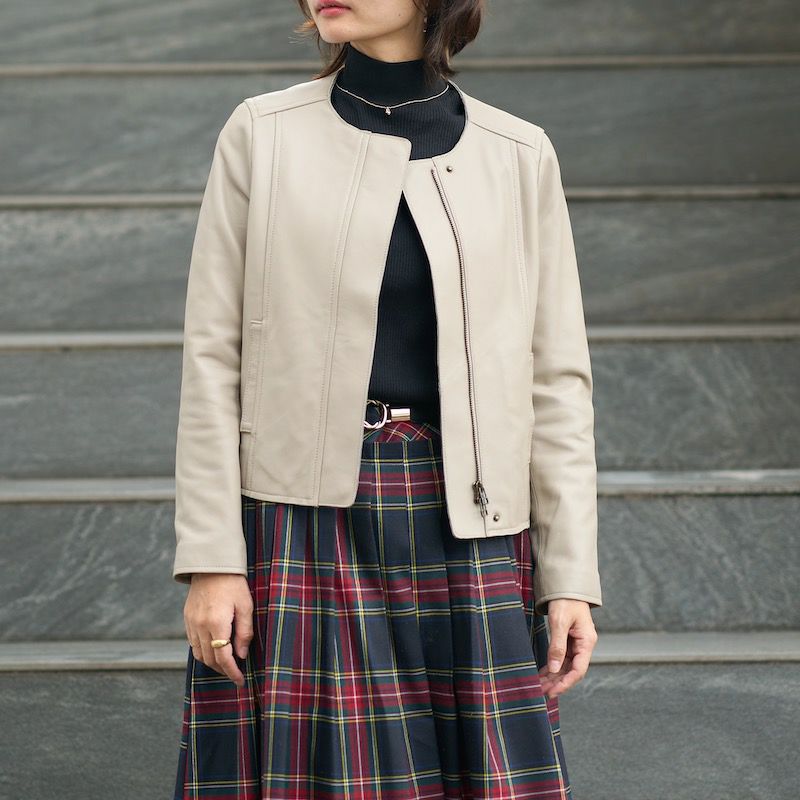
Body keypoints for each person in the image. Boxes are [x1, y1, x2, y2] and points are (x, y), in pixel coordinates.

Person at [172, 1, 603, 797]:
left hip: (470, 520)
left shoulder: (519, 154)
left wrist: (569, 575)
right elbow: (212, 357)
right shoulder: (262, 134)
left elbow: (556, 380)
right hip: (302, 517)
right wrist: (212, 560)